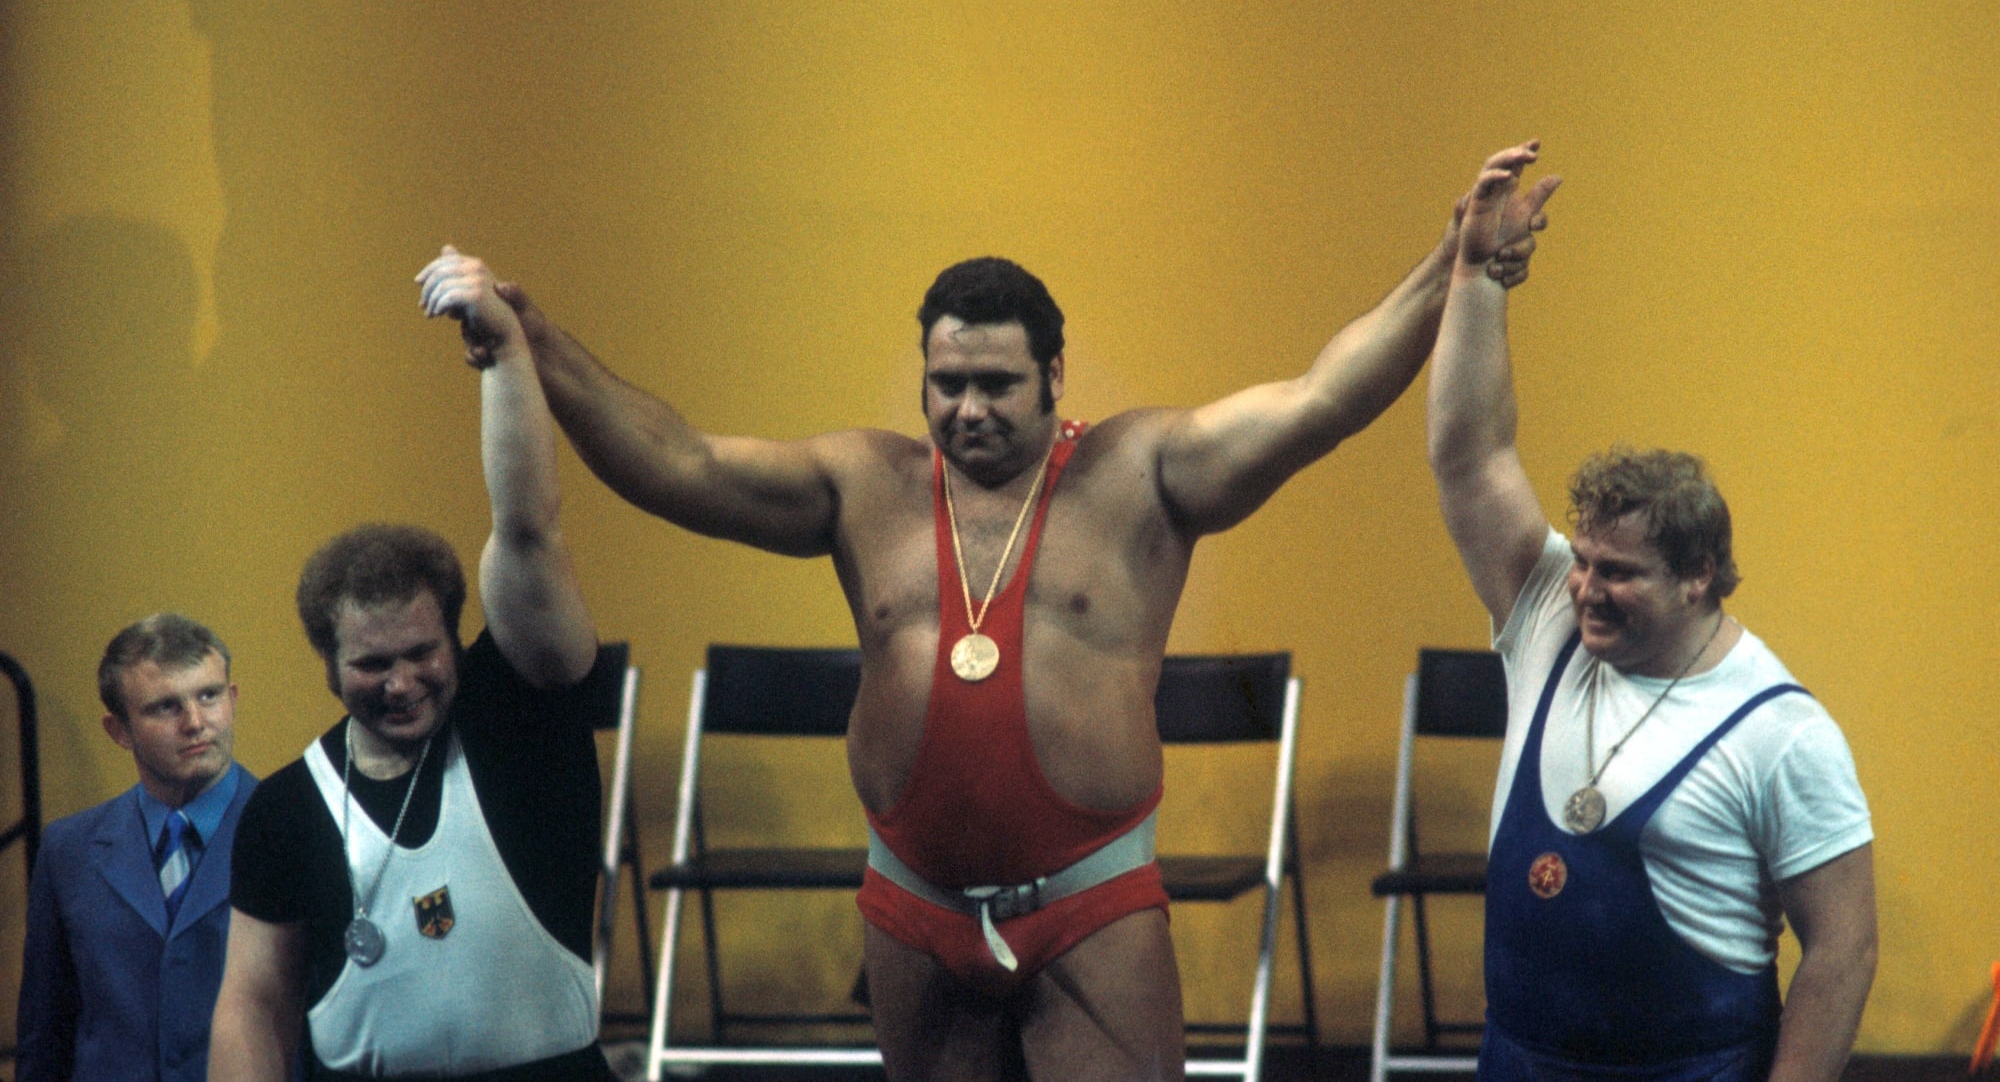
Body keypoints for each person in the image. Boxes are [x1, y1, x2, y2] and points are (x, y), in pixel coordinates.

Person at [419, 143, 1545, 1080]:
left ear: (1054, 374)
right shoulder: (860, 485)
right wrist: (532, 334)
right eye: (945, 383)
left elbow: (1322, 397)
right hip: (912, 904)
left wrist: (1451, 263)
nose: (966, 409)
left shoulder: (1141, 472)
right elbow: (676, 462)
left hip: (1088, 906)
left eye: (995, 384)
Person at [1428, 150, 1876, 1080]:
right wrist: (1476, 279)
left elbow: (1842, 952)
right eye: (1582, 560)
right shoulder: (1549, 619)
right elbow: (1472, 457)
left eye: (1619, 572)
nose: (1584, 588)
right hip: (1518, 1061)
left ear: (1698, 576)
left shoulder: (1783, 734)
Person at [206, 262, 621, 1079]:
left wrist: (502, 352)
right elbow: (252, 1004)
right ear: (327, 663)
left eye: (423, 653)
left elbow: (529, 528)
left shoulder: (521, 722)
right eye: (372, 662)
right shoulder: (285, 810)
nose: (402, 682)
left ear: (458, 639)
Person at [17, 613, 256, 1082]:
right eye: (165, 707)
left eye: (208, 696)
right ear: (120, 731)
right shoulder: (69, 850)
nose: (195, 723)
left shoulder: (293, 828)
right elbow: (45, 1035)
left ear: (232, 699)